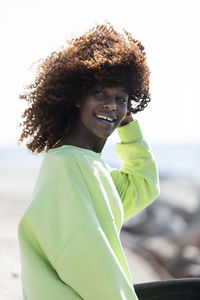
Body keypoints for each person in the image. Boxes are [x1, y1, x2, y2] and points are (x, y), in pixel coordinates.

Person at [18, 23, 160, 300]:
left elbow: (144, 185)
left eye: (121, 99)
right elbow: (90, 264)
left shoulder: (85, 165)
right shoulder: (70, 167)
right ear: (76, 96)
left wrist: (127, 124)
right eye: (99, 93)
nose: (111, 105)